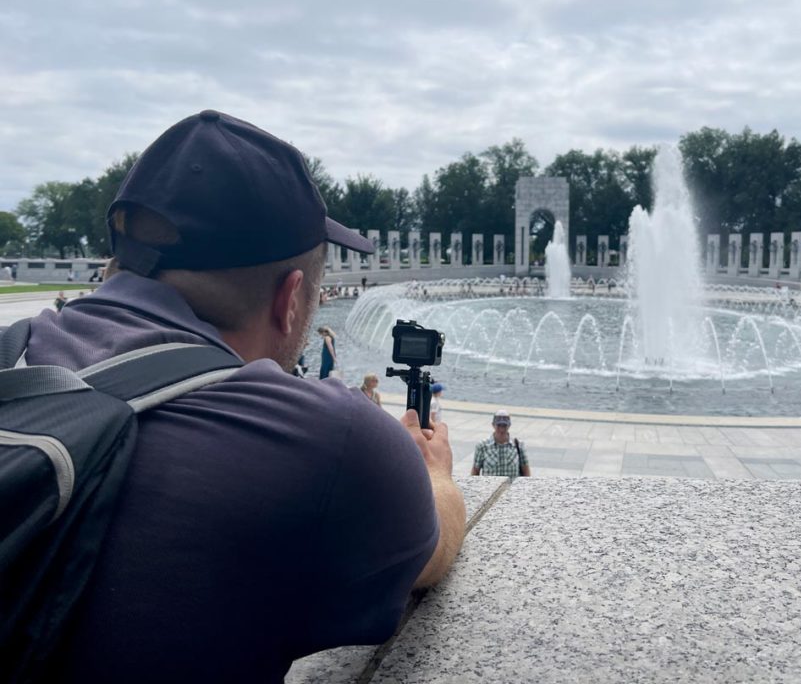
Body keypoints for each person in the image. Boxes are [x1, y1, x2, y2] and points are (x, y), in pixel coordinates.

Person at [17, 110, 465, 681]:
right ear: (291, 298)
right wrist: (436, 475)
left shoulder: (11, 348)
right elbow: (434, 546)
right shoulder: (328, 441)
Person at [472, 409, 531, 477]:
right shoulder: (482, 446)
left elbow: (526, 470)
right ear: (493, 425)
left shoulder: (519, 445)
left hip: (512, 487)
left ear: (509, 426)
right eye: (499, 425)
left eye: (504, 426)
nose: (501, 429)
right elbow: (475, 470)